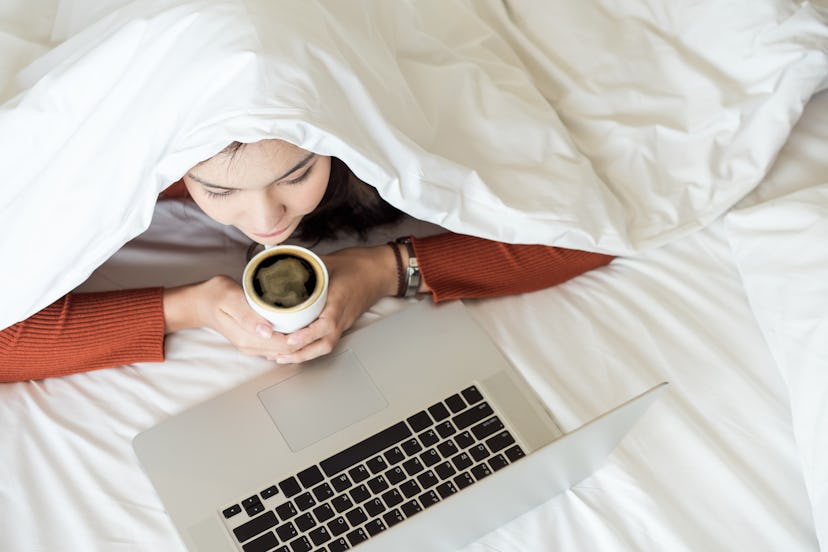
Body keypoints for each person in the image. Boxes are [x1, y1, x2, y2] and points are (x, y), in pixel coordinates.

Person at [0, 139, 613, 382]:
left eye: (297, 176)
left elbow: (594, 231)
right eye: (219, 192)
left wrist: (382, 270)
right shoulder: (135, 157)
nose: (268, 221)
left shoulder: (382, 144)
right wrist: (193, 305)